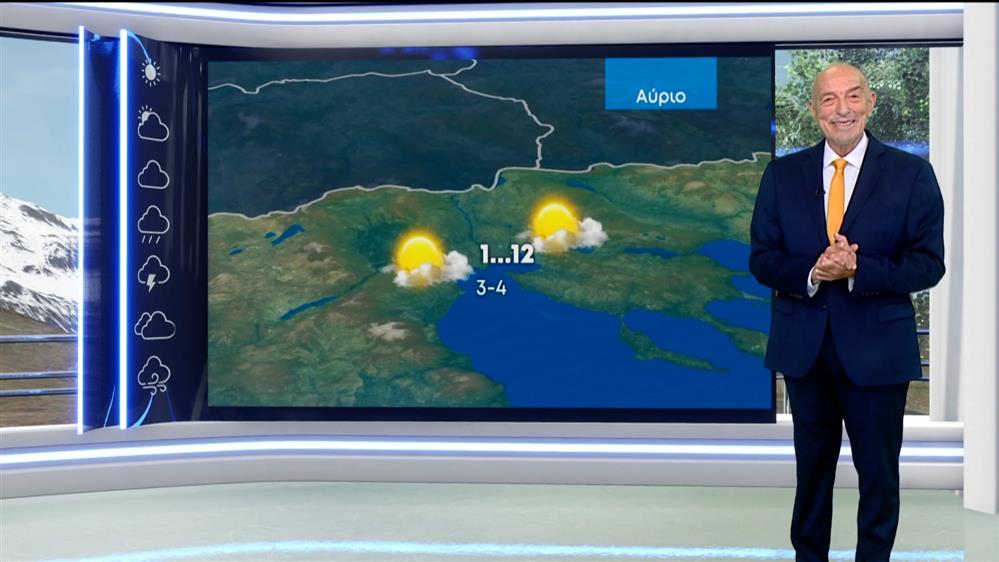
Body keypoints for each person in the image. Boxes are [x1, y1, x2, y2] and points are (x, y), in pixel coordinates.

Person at [749, 62, 945, 561]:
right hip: (806, 352)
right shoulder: (782, 175)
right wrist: (814, 271)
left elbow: (928, 263)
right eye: (829, 99)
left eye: (853, 96)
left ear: (870, 103)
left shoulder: (911, 174)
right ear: (814, 110)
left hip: (878, 353)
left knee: (878, 477)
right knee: (811, 477)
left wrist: (859, 269)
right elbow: (762, 258)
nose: (842, 109)